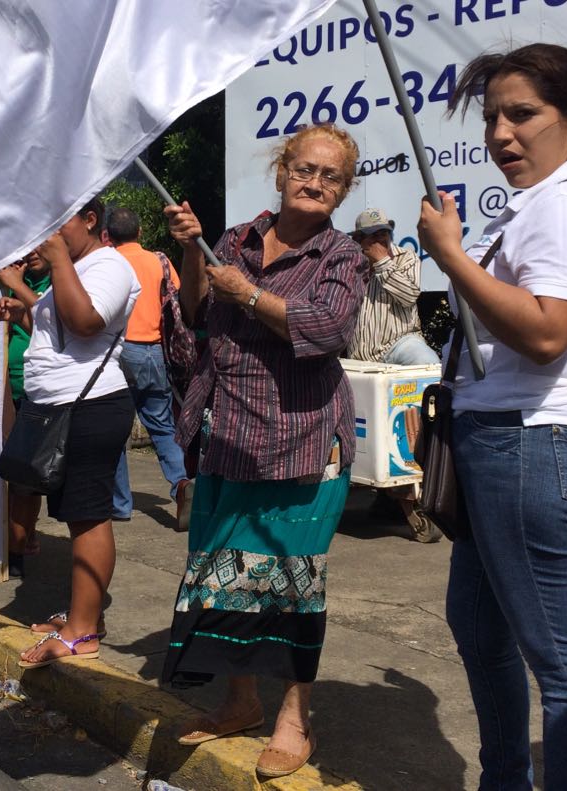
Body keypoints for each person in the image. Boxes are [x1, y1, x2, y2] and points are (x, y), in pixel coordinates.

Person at [416, 43, 567, 788]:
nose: (501, 135)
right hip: (506, 440)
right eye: (491, 119)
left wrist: (454, 258)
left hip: (536, 444)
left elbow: (546, 333)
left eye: (522, 115)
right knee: (481, 631)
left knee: (563, 664)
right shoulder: (550, 199)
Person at [160, 123, 366, 779]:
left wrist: (247, 292)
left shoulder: (342, 256)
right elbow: (195, 309)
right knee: (225, 578)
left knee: (292, 584)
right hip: (229, 436)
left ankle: (294, 717)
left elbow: (329, 327)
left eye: (330, 176)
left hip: (304, 440)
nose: (314, 182)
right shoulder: (234, 241)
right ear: (281, 172)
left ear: (343, 189)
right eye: (305, 169)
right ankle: (240, 702)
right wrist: (193, 250)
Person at [0, 196, 139, 669]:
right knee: (75, 512)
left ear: (90, 220)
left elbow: (84, 325)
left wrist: (57, 259)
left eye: (55, 228)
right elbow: (53, 326)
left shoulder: (109, 265)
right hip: (61, 407)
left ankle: (82, 632)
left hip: (91, 406)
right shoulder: (75, 268)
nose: (44, 238)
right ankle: (84, 615)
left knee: (89, 515)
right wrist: (20, 296)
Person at [0, 252, 51, 585]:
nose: (31, 255)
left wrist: (15, 286)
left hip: (42, 393)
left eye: (39, 247)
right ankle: (17, 545)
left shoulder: (59, 282)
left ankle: (14, 550)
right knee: (15, 479)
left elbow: (50, 321)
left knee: (24, 482)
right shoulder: (17, 283)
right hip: (10, 389)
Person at [106, 207, 191, 527]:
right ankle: (182, 485)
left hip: (117, 353)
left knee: (116, 430)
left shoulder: (107, 262)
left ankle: (120, 504)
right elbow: (176, 297)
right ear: (140, 233)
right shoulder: (160, 261)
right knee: (163, 427)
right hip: (153, 351)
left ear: (108, 236)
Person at [344, 208, 439, 365]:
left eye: (384, 233)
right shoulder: (349, 265)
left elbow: (409, 297)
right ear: (359, 239)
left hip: (399, 344)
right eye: (373, 235)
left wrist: (382, 262)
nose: (381, 239)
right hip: (359, 354)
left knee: (426, 360)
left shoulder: (406, 257)